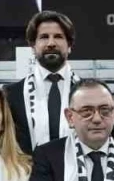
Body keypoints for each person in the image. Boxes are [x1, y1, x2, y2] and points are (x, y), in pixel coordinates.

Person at [7, 10, 82, 156]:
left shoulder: (88, 93)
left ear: (69, 45)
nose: (51, 43)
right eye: (44, 37)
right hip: (28, 169)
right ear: (33, 46)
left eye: (58, 37)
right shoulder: (12, 94)